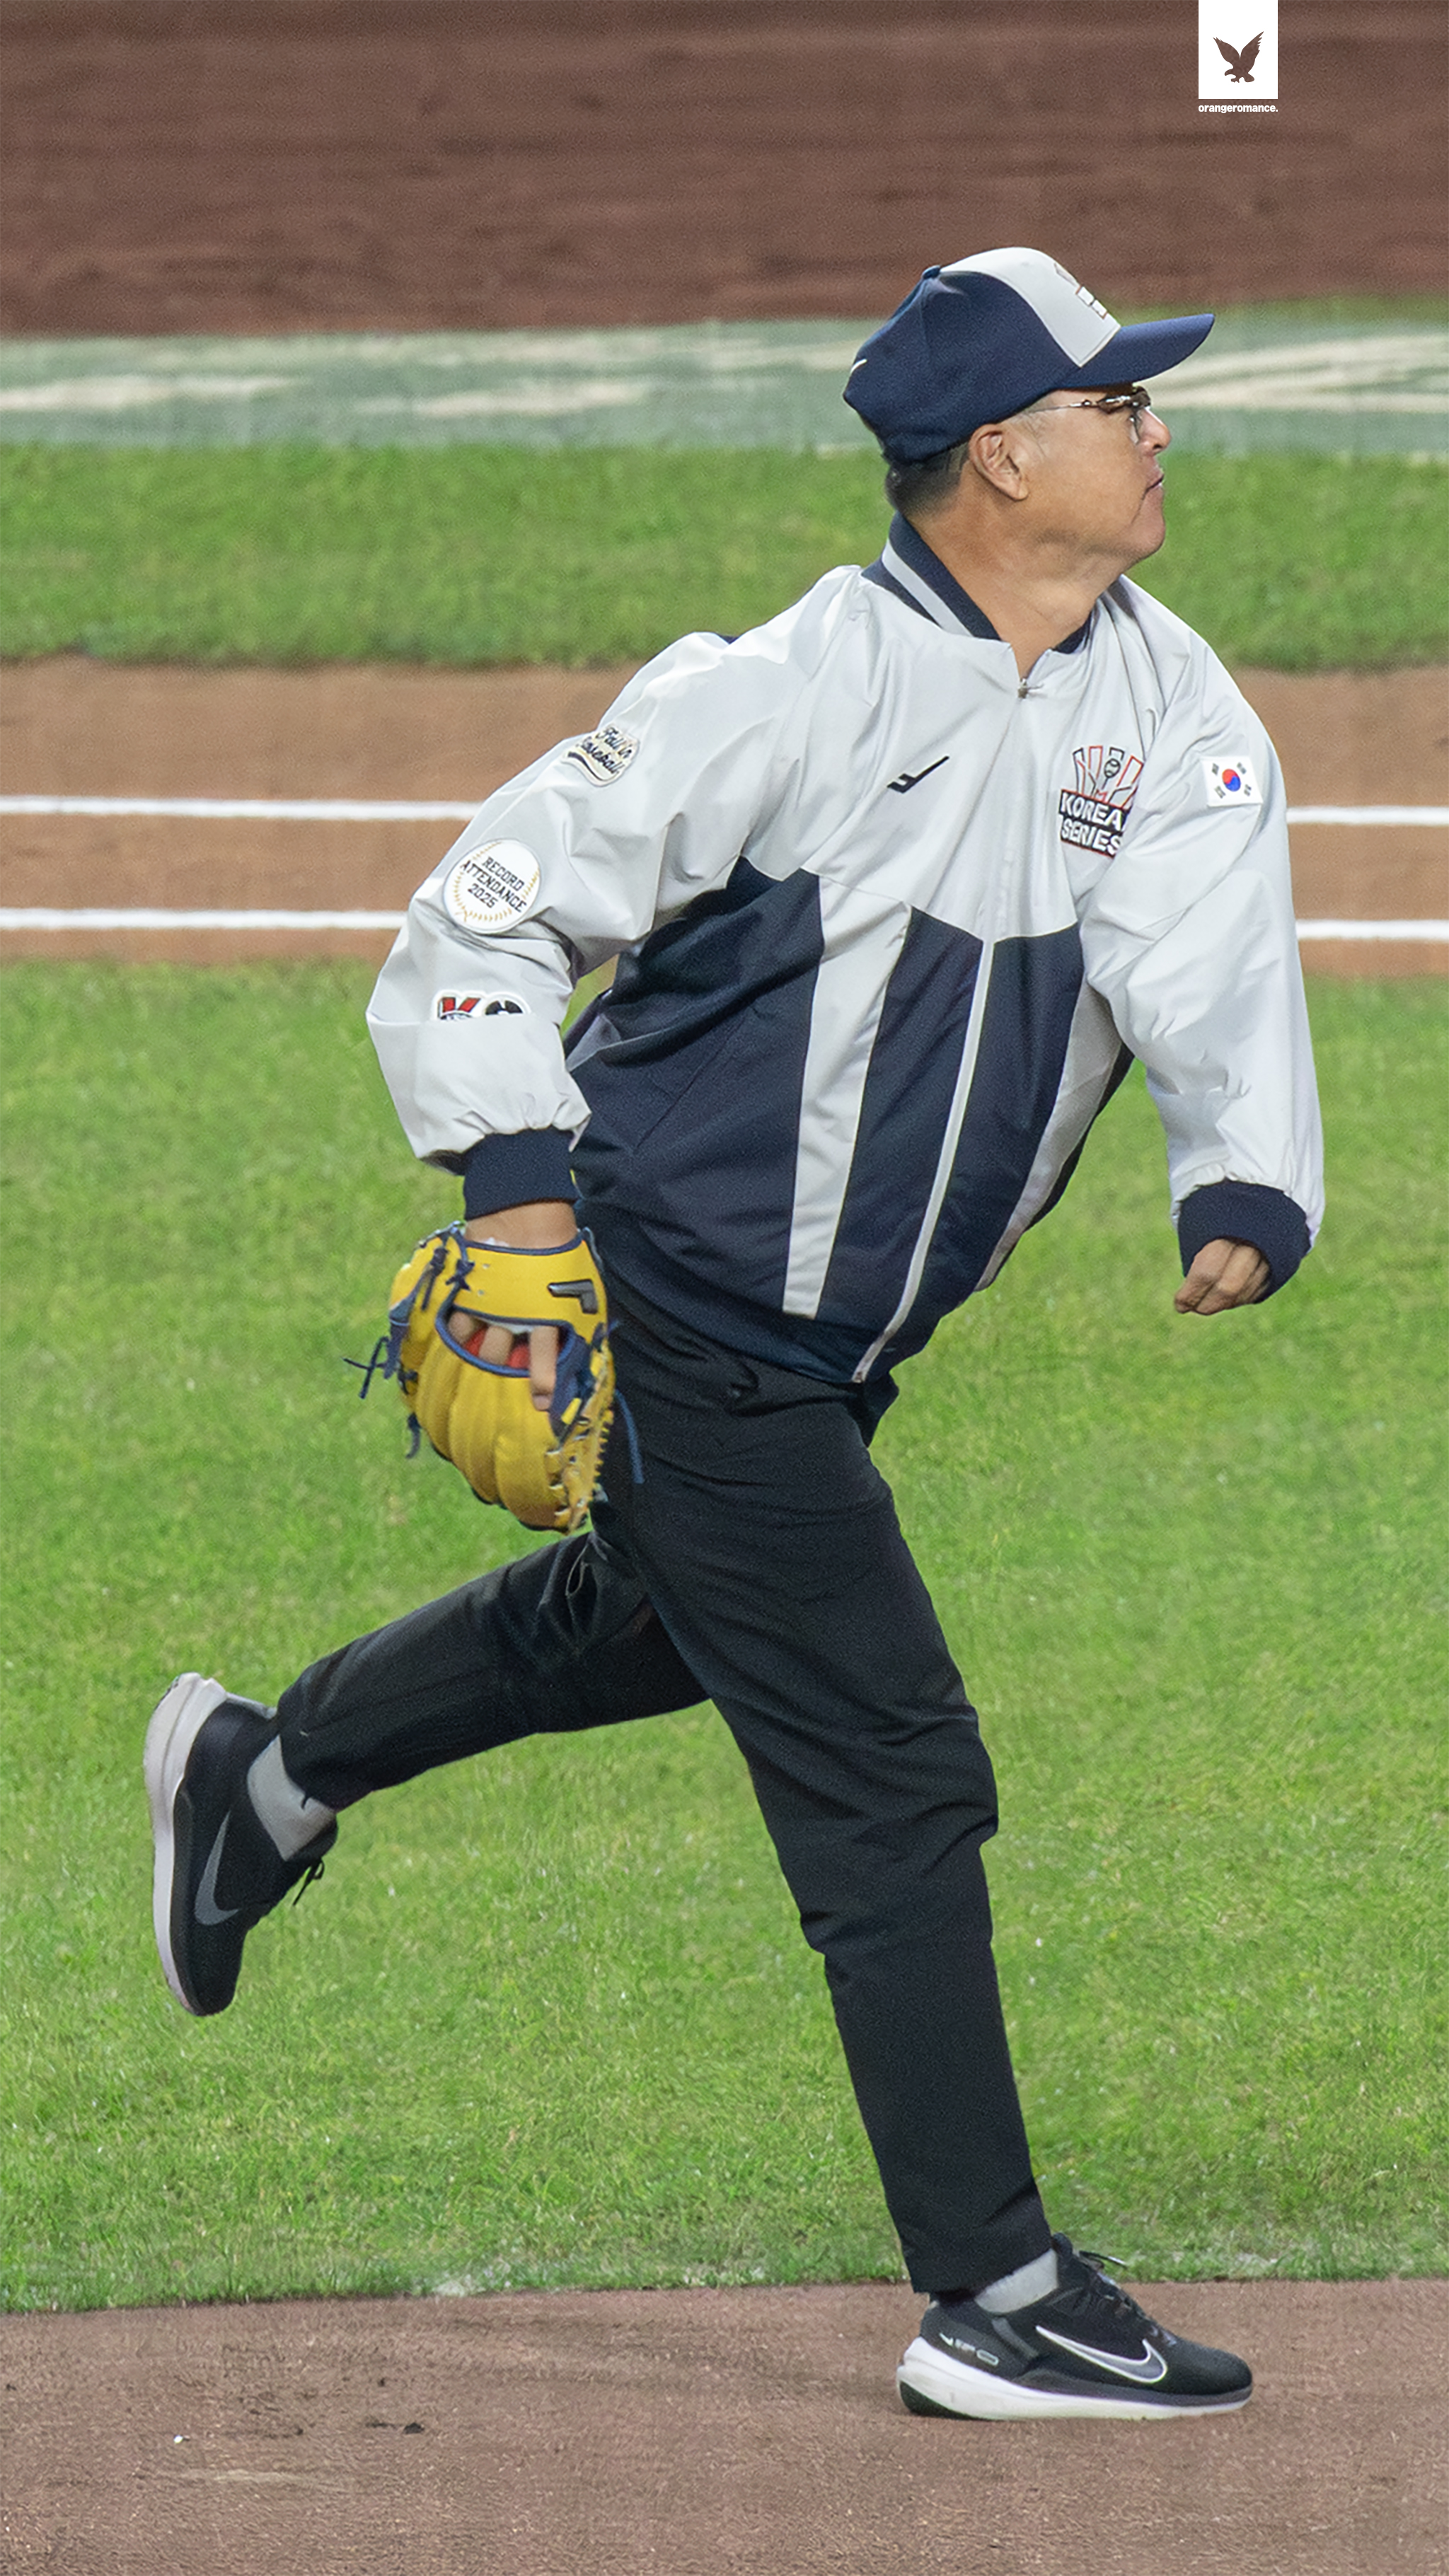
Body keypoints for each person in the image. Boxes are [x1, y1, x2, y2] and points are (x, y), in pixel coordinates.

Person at [145, 246, 1322, 2421]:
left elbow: (1210, 944)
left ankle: (266, 1770)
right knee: (892, 1756)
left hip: (834, 1350)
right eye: (1117, 404)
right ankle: (997, 2290)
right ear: (1003, 459)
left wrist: (1241, 1175)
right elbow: (490, 906)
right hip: (667, 1295)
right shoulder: (786, 691)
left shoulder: (1169, 704)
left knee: (664, 1623)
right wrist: (514, 1186)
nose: (1158, 429)